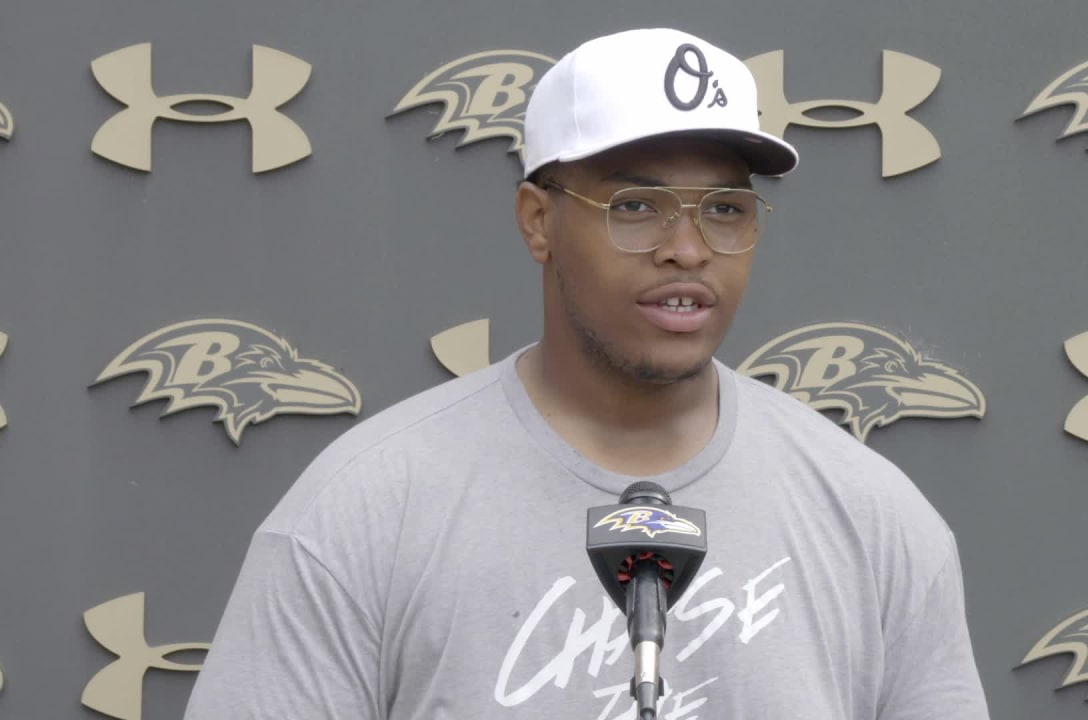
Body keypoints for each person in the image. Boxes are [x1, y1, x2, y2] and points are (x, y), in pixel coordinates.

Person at [184, 27, 990, 719]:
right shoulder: (363, 509)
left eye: (725, 208)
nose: (688, 248)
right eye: (637, 205)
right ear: (539, 221)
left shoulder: (875, 516)